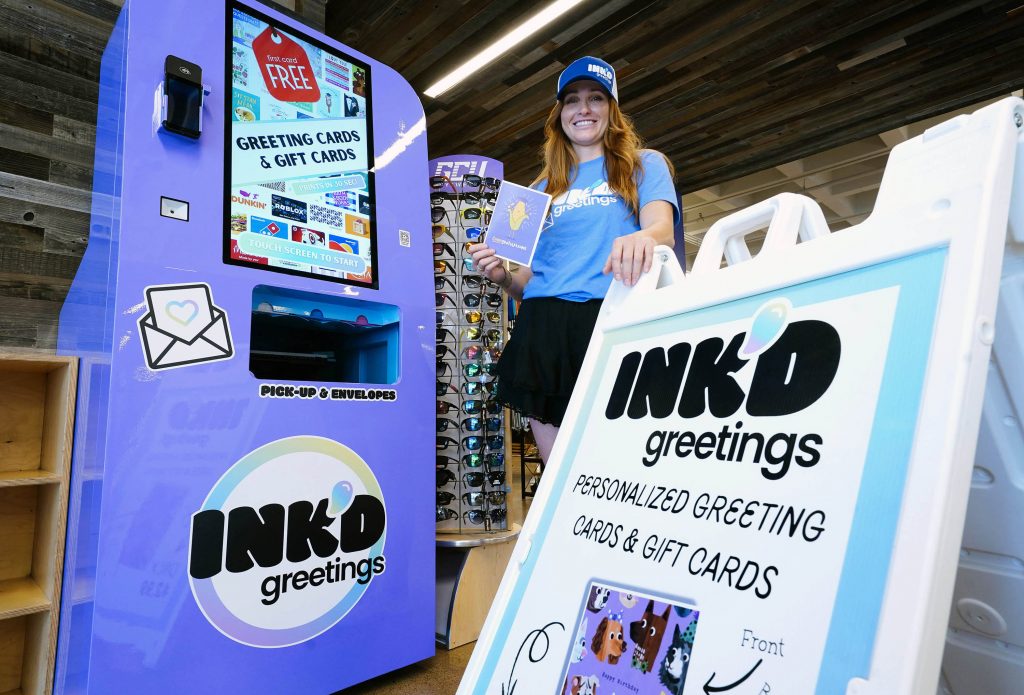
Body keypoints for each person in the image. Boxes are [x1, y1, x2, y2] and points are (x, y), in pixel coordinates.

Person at [469, 56, 679, 463]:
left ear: (611, 109)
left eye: (596, 98)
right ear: (560, 114)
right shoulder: (539, 190)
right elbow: (528, 281)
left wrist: (642, 237)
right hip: (543, 329)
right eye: (572, 100)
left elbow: (662, 229)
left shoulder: (643, 165)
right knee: (559, 468)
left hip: (612, 317)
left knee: (622, 460)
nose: (584, 109)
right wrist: (502, 277)